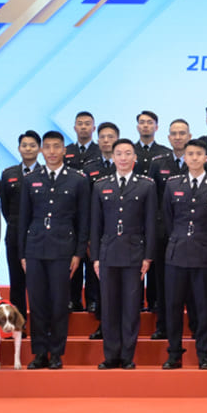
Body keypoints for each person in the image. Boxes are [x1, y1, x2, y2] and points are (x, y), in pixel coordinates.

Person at [19, 131, 90, 370]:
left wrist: (78, 253)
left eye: (56, 147)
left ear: (64, 150)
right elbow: (24, 219)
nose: (51, 151)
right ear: (41, 151)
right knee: (37, 303)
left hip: (63, 250)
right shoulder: (31, 179)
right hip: (35, 249)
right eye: (47, 147)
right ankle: (39, 352)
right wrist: (22, 253)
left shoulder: (77, 179)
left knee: (60, 304)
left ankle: (57, 353)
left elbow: (83, 220)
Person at [90, 138, 156, 369]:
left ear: (135, 158)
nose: (124, 158)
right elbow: (95, 225)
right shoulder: (101, 185)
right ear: (113, 157)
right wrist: (96, 257)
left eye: (128, 153)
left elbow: (150, 224)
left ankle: (127, 356)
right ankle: (111, 356)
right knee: (109, 308)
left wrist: (148, 257)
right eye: (119, 153)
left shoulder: (146, 185)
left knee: (130, 308)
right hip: (108, 254)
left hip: (133, 254)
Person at [161, 139, 207, 370]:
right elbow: (168, 219)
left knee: (204, 307)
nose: (195, 158)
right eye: (190, 154)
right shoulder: (172, 184)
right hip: (177, 252)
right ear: (185, 157)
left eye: (199, 154)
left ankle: (204, 353)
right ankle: (174, 353)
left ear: (206, 158)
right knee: (173, 306)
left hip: (204, 253)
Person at [146, 119, 195, 341]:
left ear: (189, 136)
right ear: (168, 137)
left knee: (193, 286)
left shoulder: (196, 160)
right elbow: (152, 200)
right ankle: (163, 325)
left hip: (191, 234)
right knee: (164, 283)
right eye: (174, 133)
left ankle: (195, 326)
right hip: (164, 234)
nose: (178, 137)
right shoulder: (158, 163)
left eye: (182, 133)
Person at [76, 122, 119, 329]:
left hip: (122, 231)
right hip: (98, 229)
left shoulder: (125, 164)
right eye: (102, 137)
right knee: (97, 273)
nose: (106, 140)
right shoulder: (90, 168)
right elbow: (85, 203)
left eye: (110, 137)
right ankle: (100, 317)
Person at [0, 131, 41, 334]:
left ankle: (40, 325)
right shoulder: (8, 174)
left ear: (39, 149)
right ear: (18, 148)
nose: (28, 149)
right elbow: (5, 207)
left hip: (39, 234)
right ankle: (19, 325)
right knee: (16, 281)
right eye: (24, 145)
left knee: (39, 283)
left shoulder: (45, 173)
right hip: (15, 233)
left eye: (33, 145)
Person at [134, 110, 172, 175]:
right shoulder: (129, 151)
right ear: (137, 127)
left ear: (156, 127)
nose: (145, 125)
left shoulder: (166, 153)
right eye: (142, 122)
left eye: (150, 122)